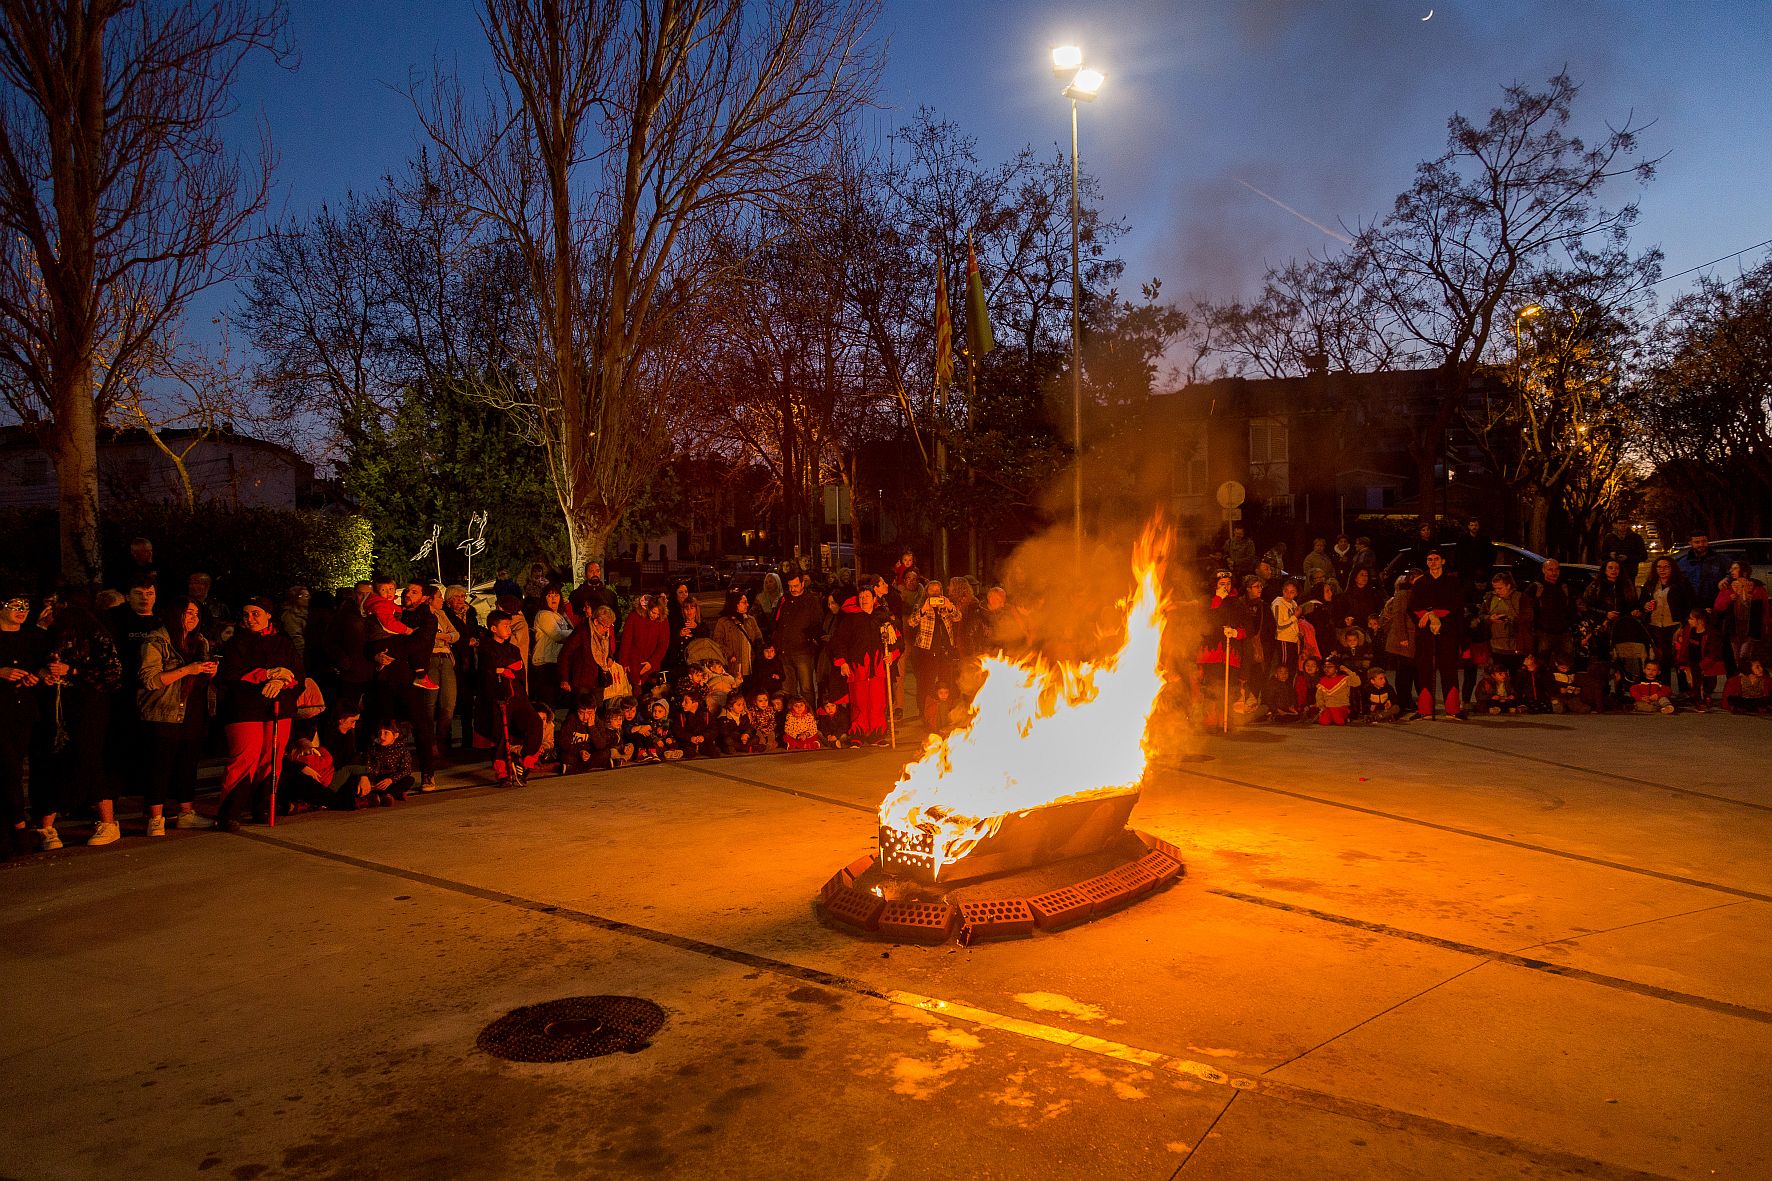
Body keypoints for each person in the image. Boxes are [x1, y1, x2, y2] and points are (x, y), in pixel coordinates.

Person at [214, 597, 303, 831]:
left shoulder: (284, 643)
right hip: (245, 709)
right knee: (246, 757)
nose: (250, 618)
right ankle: (229, 811)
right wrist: (266, 675)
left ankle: (262, 806)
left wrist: (283, 681)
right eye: (246, 614)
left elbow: (298, 676)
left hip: (279, 708)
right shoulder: (235, 644)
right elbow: (230, 676)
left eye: (256, 613)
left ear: (268, 615)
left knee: (271, 758)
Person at [137, 597, 218, 835]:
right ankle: (155, 817)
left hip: (193, 709)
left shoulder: (200, 641)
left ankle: (186, 812)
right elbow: (150, 679)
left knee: (188, 764)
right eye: (187, 613)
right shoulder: (157, 640)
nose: (192, 618)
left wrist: (210, 671)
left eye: (196, 614)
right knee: (160, 765)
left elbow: (201, 675)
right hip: (164, 710)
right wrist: (186, 670)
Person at [0, 591, 48, 858]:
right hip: (2, 712)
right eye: (15, 605)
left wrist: (36, 677)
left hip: (23, 711)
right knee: (8, 769)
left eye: (26, 606)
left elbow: (39, 667)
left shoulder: (30, 638)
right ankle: (18, 828)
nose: (21, 610)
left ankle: (14, 830)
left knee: (15, 767)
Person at [476, 610, 543, 787]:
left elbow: (519, 669)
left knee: (535, 723)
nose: (508, 629)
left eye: (509, 625)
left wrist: (505, 669)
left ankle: (524, 762)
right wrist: (504, 669)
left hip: (519, 698)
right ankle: (503, 773)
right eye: (505, 625)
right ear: (493, 628)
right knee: (500, 736)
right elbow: (490, 671)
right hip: (498, 699)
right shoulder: (486, 648)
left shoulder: (513, 648)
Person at [828, 585, 898, 745]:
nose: (864, 599)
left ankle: (877, 734)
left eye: (867, 596)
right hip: (858, 668)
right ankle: (858, 734)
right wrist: (842, 662)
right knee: (859, 702)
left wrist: (892, 655)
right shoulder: (850, 619)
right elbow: (840, 642)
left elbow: (897, 641)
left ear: (874, 599)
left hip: (878, 667)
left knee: (878, 703)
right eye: (861, 597)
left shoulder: (883, 618)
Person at [1409, 550, 1466, 719]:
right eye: (1429, 560)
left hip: (1447, 630)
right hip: (1426, 632)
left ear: (1442, 561)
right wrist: (1429, 615)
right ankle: (1425, 710)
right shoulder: (1420, 583)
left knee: (1449, 668)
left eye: (1436, 559)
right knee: (1425, 668)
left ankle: (1453, 709)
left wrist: (1436, 617)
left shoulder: (1452, 582)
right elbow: (1412, 606)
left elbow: (1456, 605)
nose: (1432, 562)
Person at [773, 569, 826, 704]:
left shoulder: (811, 601)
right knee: (788, 688)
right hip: (785, 650)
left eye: (796, 586)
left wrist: (810, 639)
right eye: (790, 586)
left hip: (803, 651)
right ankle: (791, 718)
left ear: (802, 584)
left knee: (806, 688)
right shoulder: (784, 599)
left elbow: (817, 624)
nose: (793, 589)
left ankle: (810, 717)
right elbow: (777, 622)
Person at [1638, 558, 1693, 675]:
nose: (1662, 570)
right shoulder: (1650, 584)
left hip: (1674, 624)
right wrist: (1645, 605)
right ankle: (1663, 684)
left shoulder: (1681, 584)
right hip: (1655, 624)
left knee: (1678, 656)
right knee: (1660, 657)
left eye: (1666, 567)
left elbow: (1689, 603)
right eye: (1659, 567)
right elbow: (1642, 601)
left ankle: (1683, 688)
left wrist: (1684, 623)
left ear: (1672, 568)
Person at [1713, 562, 1767, 668]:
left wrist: (1765, 623)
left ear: (1745, 571)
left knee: (1744, 654)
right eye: (1731, 569)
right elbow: (1718, 607)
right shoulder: (1728, 588)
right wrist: (1729, 599)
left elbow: (1764, 608)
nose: (1731, 571)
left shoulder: (1757, 588)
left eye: (1735, 568)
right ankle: (1741, 676)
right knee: (1736, 655)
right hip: (1734, 626)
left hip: (1751, 626)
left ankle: (1746, 673)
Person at [1480, 571, 1534, 676]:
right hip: (1496, 647)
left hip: (1516, 647)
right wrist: (1490, 618)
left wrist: (1510, 619)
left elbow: (1529, 617)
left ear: (1508, 585)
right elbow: (1481, 615)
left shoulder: (1521, 598)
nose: (1497, 591)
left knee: (1517, 679)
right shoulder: (1490, 598)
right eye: (1495, 588)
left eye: (1500, 588)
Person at [529, 585, 573, 712]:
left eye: (556, 595)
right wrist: (574, 634)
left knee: (553, 701)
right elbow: (558, 635)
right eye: (550, 595)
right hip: (545, 663)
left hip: (555, 662)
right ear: (544, 598)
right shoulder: (543, 615)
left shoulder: (560, 615)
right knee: (547, 703)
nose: (553, 598)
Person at [1673, 608, 1727, 710]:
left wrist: (1704, 664)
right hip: (1691, 659)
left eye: (1691, 619)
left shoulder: (1711, 633)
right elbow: (1684, 645)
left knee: (1704, 680)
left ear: (1700, 620)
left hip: (1705, 660)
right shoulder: (1689, 629)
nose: (1689, 620)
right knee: (1694, 679)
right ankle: (1698, 698)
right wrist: (1681, 659)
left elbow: (1714, 652)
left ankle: (1703, 697)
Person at [617, 594, 670, 694]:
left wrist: (652, 662)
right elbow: (626, 641)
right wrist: (624, 662)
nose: (655, 616)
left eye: (658, 614)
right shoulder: (634, 617)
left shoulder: (663, 620)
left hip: (652, 665)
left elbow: (663, 644)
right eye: (653, 612)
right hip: (633, 662)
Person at [712, 589, 764, 684]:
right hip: (734, 668)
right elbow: (717, 642)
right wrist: (729, 653)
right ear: (735, 604)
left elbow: (758, 638)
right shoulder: (723, 622)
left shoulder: (750, 620)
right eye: (744, 602)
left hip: (751, 666)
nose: (747, 604)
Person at [1533, 560, 1577, 662]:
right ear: (1543, 570)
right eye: (1550, 569)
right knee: (1543, 662)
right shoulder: (1536, 588)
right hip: (1544, 633)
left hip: (1564, 633)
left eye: (1557, 569)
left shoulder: (1564, 587)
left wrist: (1569, 624)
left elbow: (1573, 608)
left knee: (1565, 662)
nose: (1554, 572)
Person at [364, 720, 415, 803]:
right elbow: (367, 766)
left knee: (409, 780)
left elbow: (406, 770)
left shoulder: (402, 751)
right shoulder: (373, 749)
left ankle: (389, 795)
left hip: (393, 780)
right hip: (378, 779)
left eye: (386, 733)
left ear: (395, 735)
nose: (381, 737)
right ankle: (385, 795)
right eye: (380, 733)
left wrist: (391, 779)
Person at [1674, 534, 1730, 602]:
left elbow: (1734, 572)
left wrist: (1727, 579)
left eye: (1704, 541)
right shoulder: (1683, 563)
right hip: (1693, 606)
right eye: (1697, 542)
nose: (1701, 544)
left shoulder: (1721, 559)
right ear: (1690, 543)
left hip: (1716, 604)